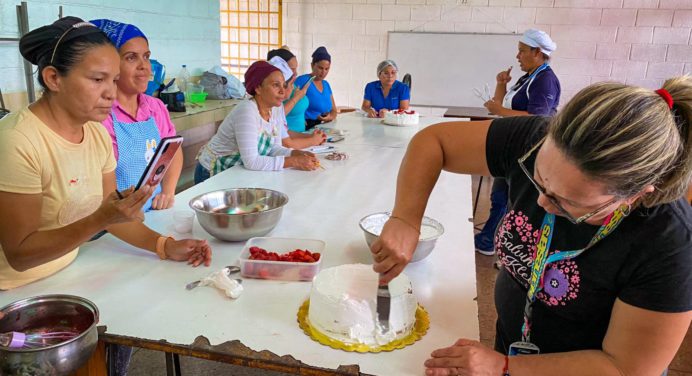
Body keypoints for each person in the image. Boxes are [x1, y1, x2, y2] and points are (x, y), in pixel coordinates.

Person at [371, 77, 692, 375]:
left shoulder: (670, 244)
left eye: (568, 204)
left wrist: (505, 367)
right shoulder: (533, 138)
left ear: (635, 195)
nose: (542, 204)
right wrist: (405, 218)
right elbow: (434, 142)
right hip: (510, 350)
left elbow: (625, 368)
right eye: (538, 180)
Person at [0, 17, 212, 292]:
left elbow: (111, 216)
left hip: (69, 273)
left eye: (113, 80)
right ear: (53, 78)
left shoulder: (95, 134)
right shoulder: (17, 140)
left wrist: (165, 245)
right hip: (15, 290)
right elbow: (21, 254)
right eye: (98, 79)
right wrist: (102, 218)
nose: (110, 93)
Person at [475, 29, 562, 256]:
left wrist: (499, 110)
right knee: (500, 194)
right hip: (514, 146)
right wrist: (501, 84)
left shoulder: (545, 80)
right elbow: (500, 105)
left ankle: (493, 241)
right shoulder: (530, 76)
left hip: (529, 149)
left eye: (522, 51)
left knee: (508, 196)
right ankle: (489, 238)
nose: (517, 56)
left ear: (537, 52)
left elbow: (538, 119)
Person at [91, 19, 182, 211]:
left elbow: (172, 151)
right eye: (131, 57)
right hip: (113, 223)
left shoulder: (155, 107)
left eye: (146, 56)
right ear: (110, 64)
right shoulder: (100, 115)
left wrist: (167, 192)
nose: (144, 66)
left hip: (153, 212)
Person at [194, 60, 319, 183]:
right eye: (276, 85)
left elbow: (273, 148)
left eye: (283, 85)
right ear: (258, 88)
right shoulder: (247, 110)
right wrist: (294, 161)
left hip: (237, 170)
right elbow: (252, 161)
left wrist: (295, 153)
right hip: (213, 172)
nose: (283, 91)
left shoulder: (274, 109)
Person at [267, 51, 326, 149]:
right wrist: (312, 140)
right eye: (292, 69)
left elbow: (283, 134)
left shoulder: (276, 108)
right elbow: (286, 143)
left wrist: (311, 137)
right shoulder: (254, 110)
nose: (295, 73)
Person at [294, 46, 337, 130]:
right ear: (312, 65)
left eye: (327, 69)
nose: (323, 72)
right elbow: (290, 103)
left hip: (325, 126)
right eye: (320, 68)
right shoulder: (302, 81)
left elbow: (334, 110)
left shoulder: (326, 84)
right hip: (307, 125)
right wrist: (300, 119)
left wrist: (330, 117)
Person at [267, 48, 310, 132]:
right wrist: (296, 98)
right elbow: (277, 117)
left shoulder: (292, 84)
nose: (296, 73)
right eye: (292, 69)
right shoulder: (272, 97)